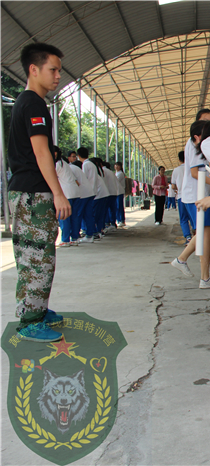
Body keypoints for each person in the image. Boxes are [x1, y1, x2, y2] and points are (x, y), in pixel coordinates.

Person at [7, 42, 68, 342]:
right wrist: (58, 193)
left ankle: (37, 310)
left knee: (34, 255)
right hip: (33, 195)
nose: (58, 76)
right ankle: (30, 321)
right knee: (38, 258)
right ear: (34, 69)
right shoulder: (33, 104)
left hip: (26, 193)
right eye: (52, 69)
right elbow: (41, 152)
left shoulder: (28, 102)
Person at [170, 115, 210, 289]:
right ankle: (204, 278)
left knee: (204, 234)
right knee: (205, 236)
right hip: (196, 196)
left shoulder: (198, 144)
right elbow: (196, 173)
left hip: (197, 195)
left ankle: (183, 260)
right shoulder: (195, 145)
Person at [54, 147, 79, 247]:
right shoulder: (65, 164)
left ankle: (65, 239)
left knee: (64, 216)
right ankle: (74, 238)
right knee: (74, 217)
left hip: (66, 193)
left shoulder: (56, 164)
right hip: (75, 192)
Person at [68, 157, 92, 245]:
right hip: (89, 192)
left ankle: (75, 236)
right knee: (88, 215)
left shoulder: (68, 168)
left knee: (77, 215)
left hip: (82, 194)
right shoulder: (75, 167)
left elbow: (77, 183)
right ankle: (90, 235)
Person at [171, 150, 192, 243]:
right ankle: (197, 235)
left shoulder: (176, 170)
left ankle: (188, 237)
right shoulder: (191, 168)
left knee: (183, 219)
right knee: (193, 217)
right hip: (192, 197)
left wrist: (177, 188)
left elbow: (173, 186)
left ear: (179, 160)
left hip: (181, 196)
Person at [101, 161, 119, 232]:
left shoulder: (103, 171)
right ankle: (112, 223)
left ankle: (106, 224)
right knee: (112, 209)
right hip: (114, 192)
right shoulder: (111, 172)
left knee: (105, 210)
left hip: (108, 193)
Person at [113, 161, 126, 226]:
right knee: (118, 206)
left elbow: (115, 181)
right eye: (115, 165)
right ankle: (119, 220)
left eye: (118, 165)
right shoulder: (116, 173)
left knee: (119, 206)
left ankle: (122, 220)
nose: (116, 167)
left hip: (119, 192)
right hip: (117, 192)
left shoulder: (120, 174)